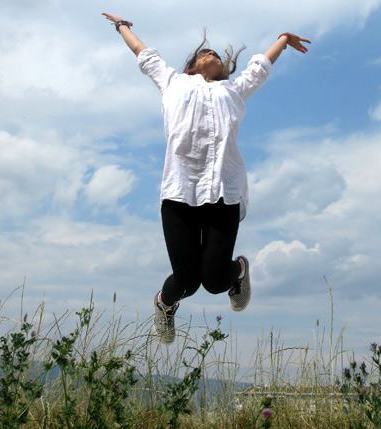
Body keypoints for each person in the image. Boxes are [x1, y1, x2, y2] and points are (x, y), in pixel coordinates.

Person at [102, 12, 310, 344]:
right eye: (205, 53)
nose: (212, 54)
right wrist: (122, 27)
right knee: (186, 280)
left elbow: (259, 67)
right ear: (190, 68)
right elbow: (144, 53)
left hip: (224, 193)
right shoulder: (173, 82)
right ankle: (164, 304)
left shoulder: (234, 90)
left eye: (215, 54)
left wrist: (283, 40)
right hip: (179, 193)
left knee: (213, 282)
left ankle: (238, 270)